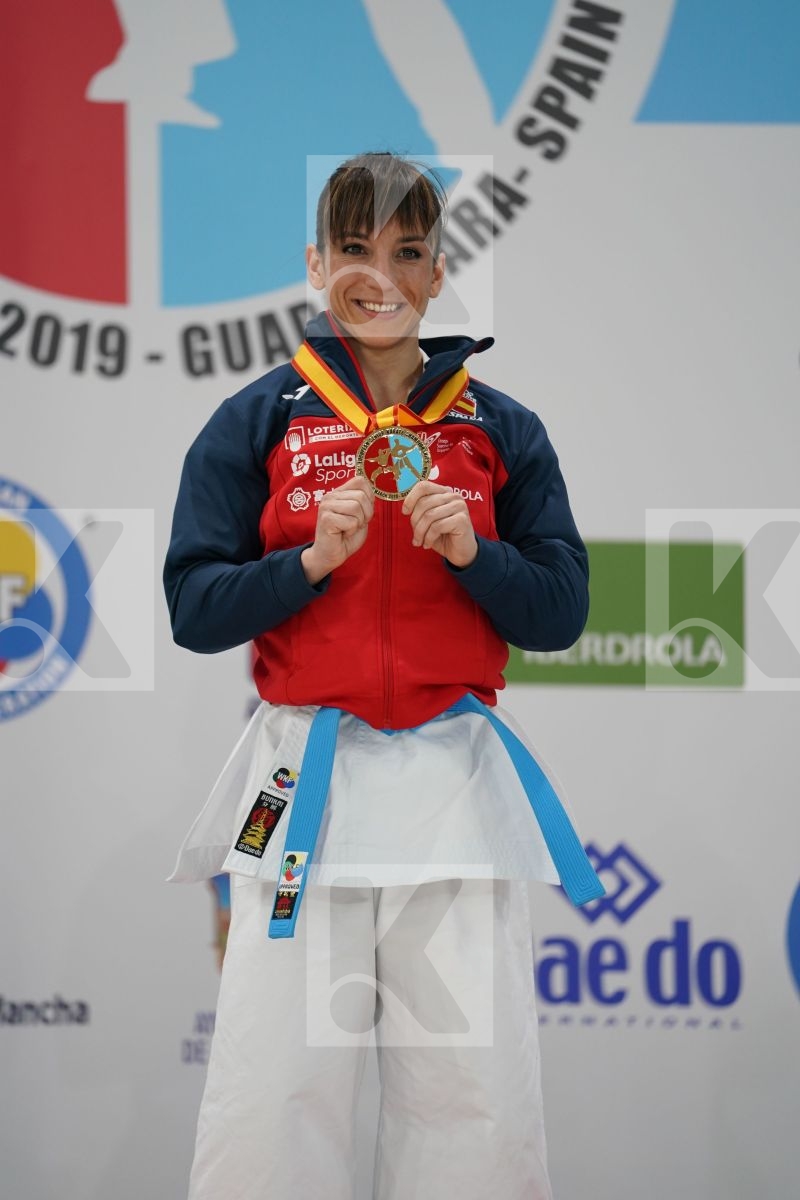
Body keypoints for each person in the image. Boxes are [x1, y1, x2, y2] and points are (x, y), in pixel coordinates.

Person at [164, 152, 602, 1200]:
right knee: (273, 1104)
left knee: (471, 1106)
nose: (379, 274)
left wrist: (475, 557)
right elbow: (191, 607)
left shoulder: (497, 428)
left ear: (437, 270)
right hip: (300, 781)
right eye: (353, 249)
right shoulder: (258, 419)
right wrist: (306, 565)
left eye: (406, 251)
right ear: (316, 262)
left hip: (451, 790)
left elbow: (561, 610)